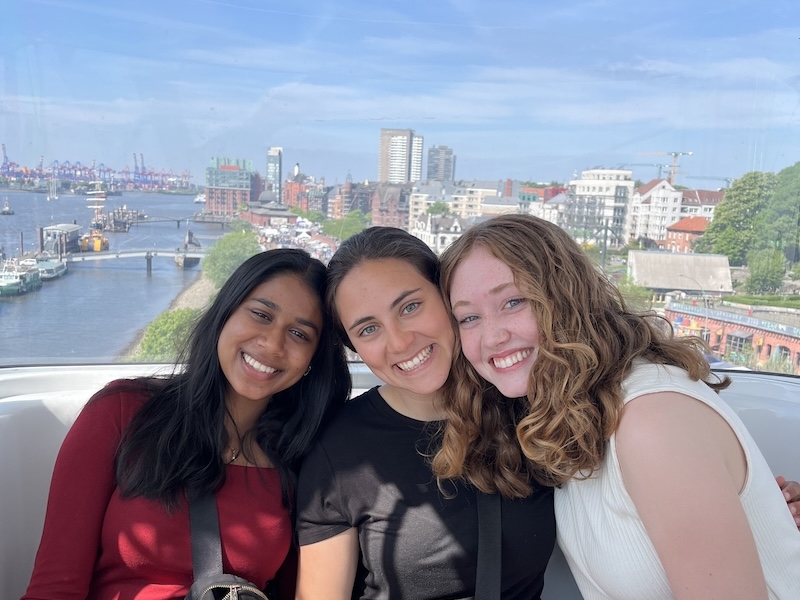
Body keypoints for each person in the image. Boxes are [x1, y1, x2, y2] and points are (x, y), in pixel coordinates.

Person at [434, 213, 800, 599]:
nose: (492, 336)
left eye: (513, 302)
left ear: (567, 299)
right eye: (469, 317)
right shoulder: (561, 413)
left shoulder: (651, 421)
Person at [22, 249, 350, 600]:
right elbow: (55, 586)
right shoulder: (121, 412)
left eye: (299, 334)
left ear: (313, 360)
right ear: (224, 314)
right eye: (260, 314)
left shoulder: (301, 460)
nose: (272, 344)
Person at [294, 227, 555, 600]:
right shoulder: (340, 450)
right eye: (369, 329)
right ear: (354, 348)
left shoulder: (523, 403)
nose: (399, 342)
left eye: (410, 307)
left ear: (446, 297)